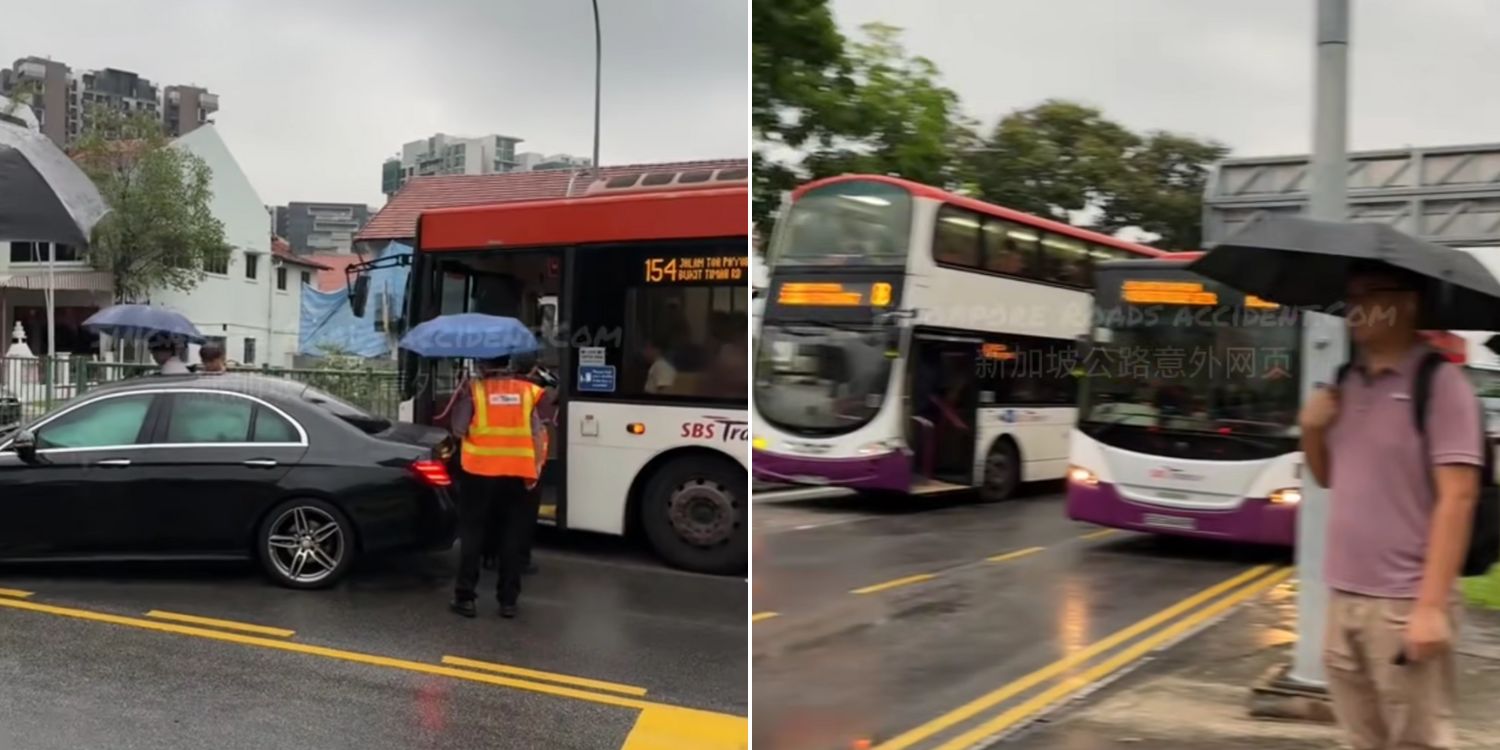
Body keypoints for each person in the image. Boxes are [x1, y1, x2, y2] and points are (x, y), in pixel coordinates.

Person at [1301, 261, 1482, 750]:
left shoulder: (1442, 387)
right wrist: (1312, 429)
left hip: (1405, 602)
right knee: (1362, 739)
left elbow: (1459, 496)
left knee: (1416, 741)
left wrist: (1429, 608)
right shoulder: (1348, 381)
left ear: (1406, 303)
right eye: (1351, 296)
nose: (1353, 309)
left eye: (1368, 295)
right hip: (1345, 597)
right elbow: (1329, 477)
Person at [448, 354, 550, 619]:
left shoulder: (474, 391)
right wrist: (535, 471)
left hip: (478, 472)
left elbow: (458, 429)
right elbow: (538, 433)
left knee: (473, 534)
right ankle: (508, 601)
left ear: (482, 365)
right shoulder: (529, 392)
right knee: (512, 537)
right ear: (508, 364)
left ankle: (466, 598)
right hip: (518, 472)